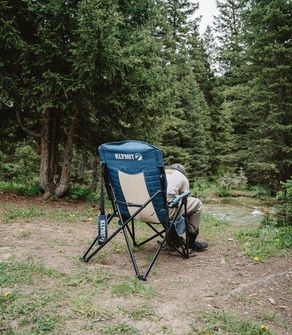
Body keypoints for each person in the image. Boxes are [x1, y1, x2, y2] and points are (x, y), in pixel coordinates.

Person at [165, 163, 208, 251]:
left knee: (170, 206)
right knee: (197, 203)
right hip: (169, 211)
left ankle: (172, 239)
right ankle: (191, 242)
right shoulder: (182, 177)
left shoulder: (162, 173)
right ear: (183, 172)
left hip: (152, 211)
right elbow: (185, 197)